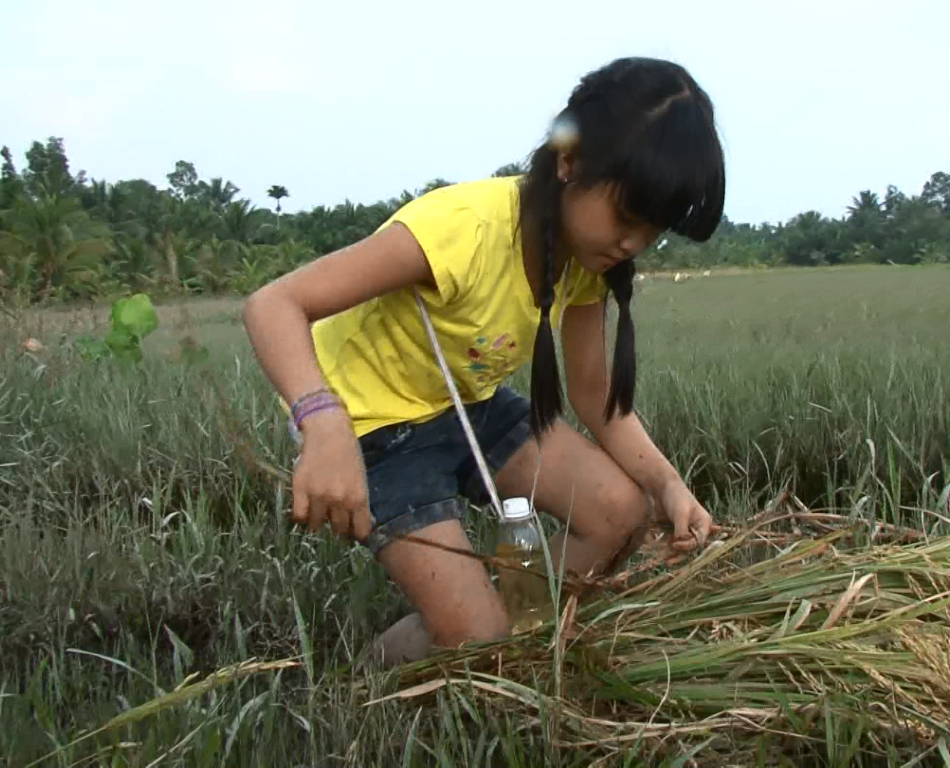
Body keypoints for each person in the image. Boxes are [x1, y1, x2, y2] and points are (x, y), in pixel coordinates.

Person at [241, 56, 726, 668]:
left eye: (652, 232)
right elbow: (273, 303)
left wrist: (668, 486)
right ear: (568, 161)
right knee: (479, 640)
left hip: (469, 407)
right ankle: (378, 675)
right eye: (627, 218)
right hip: (376, 431)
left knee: (621, 515)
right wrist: (323, 423)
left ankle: (499, 627)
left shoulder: (584, 262)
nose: (633, 244)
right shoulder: (461, 229)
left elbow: (594, 392)